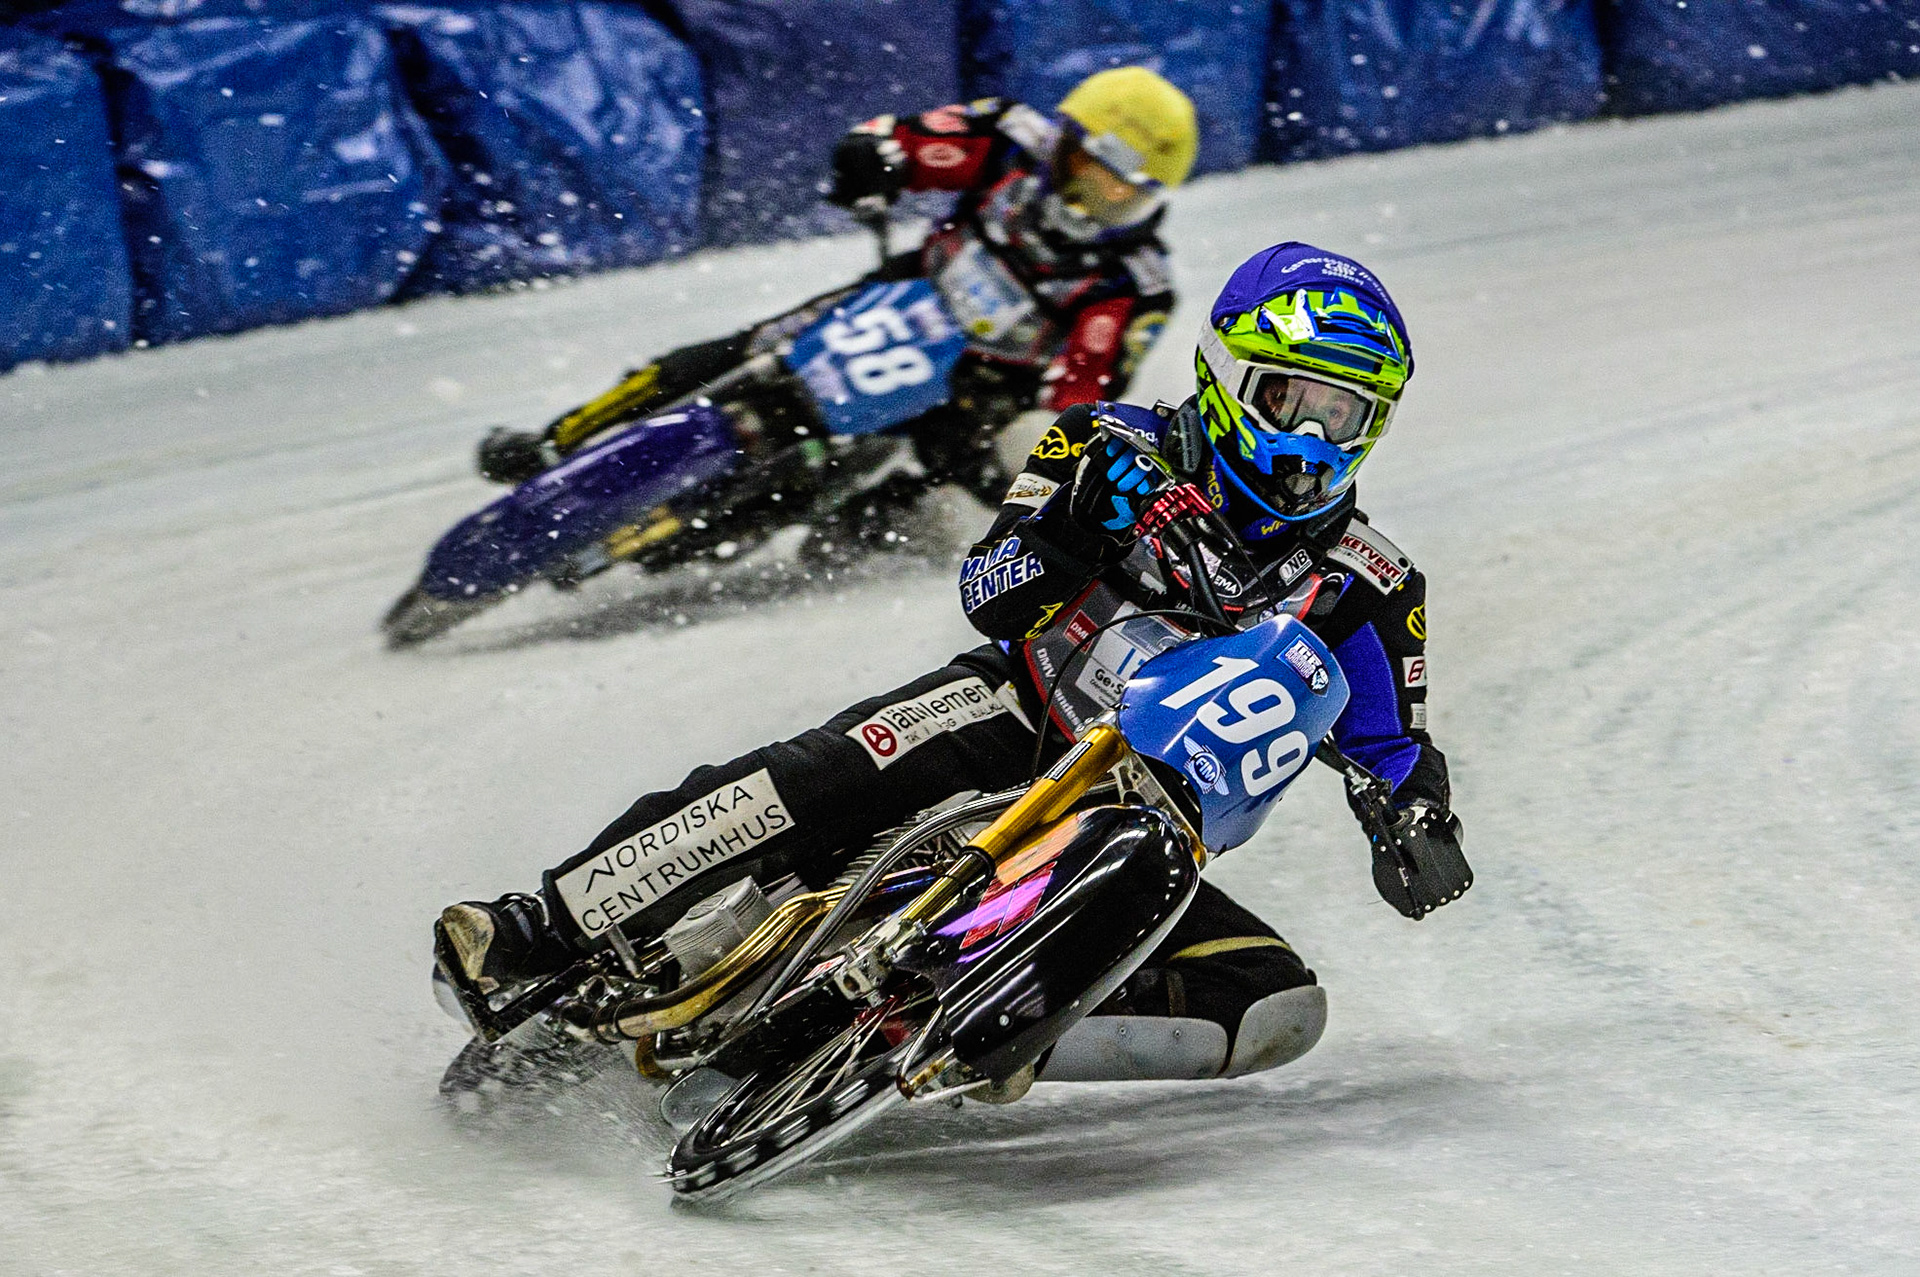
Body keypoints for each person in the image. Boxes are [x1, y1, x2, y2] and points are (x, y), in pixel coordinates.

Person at [438, 242, 1469, 1087]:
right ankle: (538, 926)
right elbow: (990, 587)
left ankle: (958, 1039)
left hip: (1142, 824)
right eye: (1293, 399)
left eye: (1345, 416)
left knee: (1273, 1004)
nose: (1311, 439)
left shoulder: (1370, 578)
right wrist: (1074, 538)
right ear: (1230, 375)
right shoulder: (1107, 442)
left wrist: (1417, 821)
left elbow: (1388, 742)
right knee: (813, 777)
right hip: (1018, 710)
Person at [474, 67, 1197, 514]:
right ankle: (555, 440)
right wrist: (873, 157)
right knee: (733, 350)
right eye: (1090, 171)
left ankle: (880, 523)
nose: (1099, 200)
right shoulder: (1006, 134)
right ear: (1062, 140)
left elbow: (1084, 393)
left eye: (1125, 193)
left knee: (969, 478)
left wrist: (1023, 416)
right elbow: (906, 140)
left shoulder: (1138, 285)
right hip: (902, 293)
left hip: (977, 382)